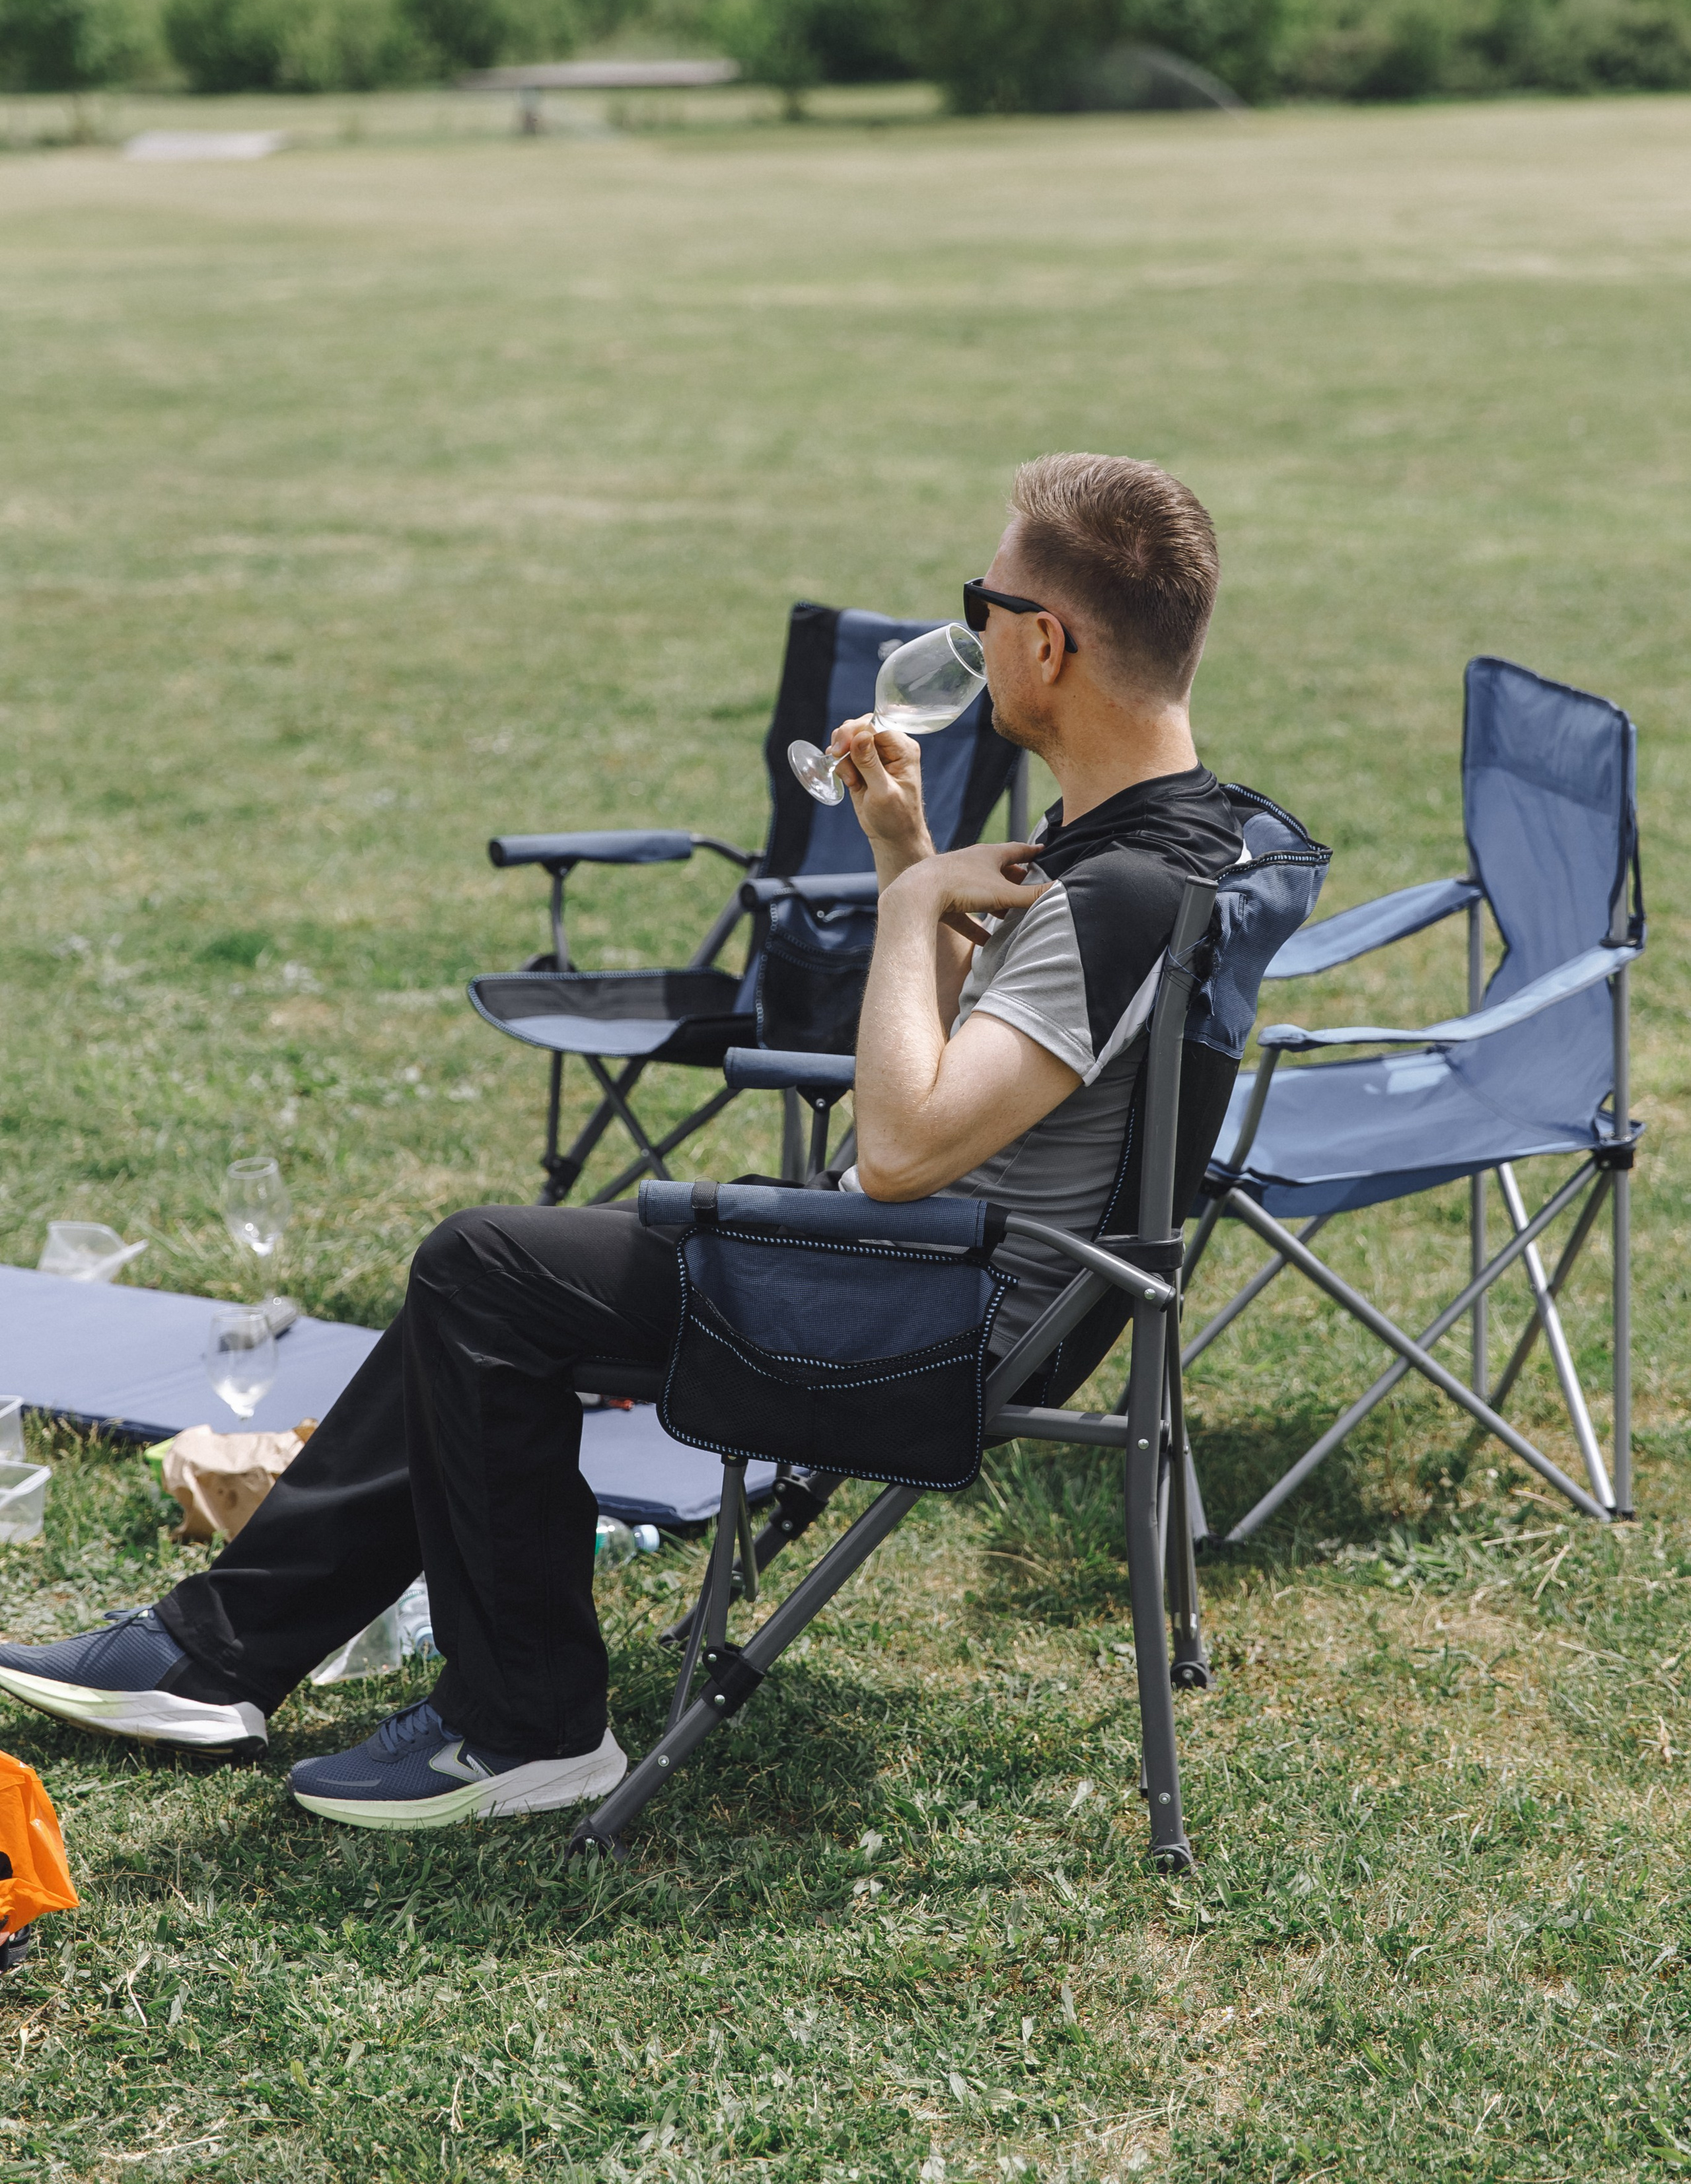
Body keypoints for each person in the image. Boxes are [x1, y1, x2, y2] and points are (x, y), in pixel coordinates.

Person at [0, 454, 1243, 1833]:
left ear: (1044, 640)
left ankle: (517, 1725)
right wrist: (909, 859)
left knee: (483, 1270)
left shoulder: (1115, 890)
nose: (966, 627)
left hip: (931, 1311)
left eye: (980, 598)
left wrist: (904, 918)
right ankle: (212, 1655)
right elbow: (973, 1090)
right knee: (490, 1279)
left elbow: (900, 1155)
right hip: (979, 1277)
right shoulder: (1178, 834)